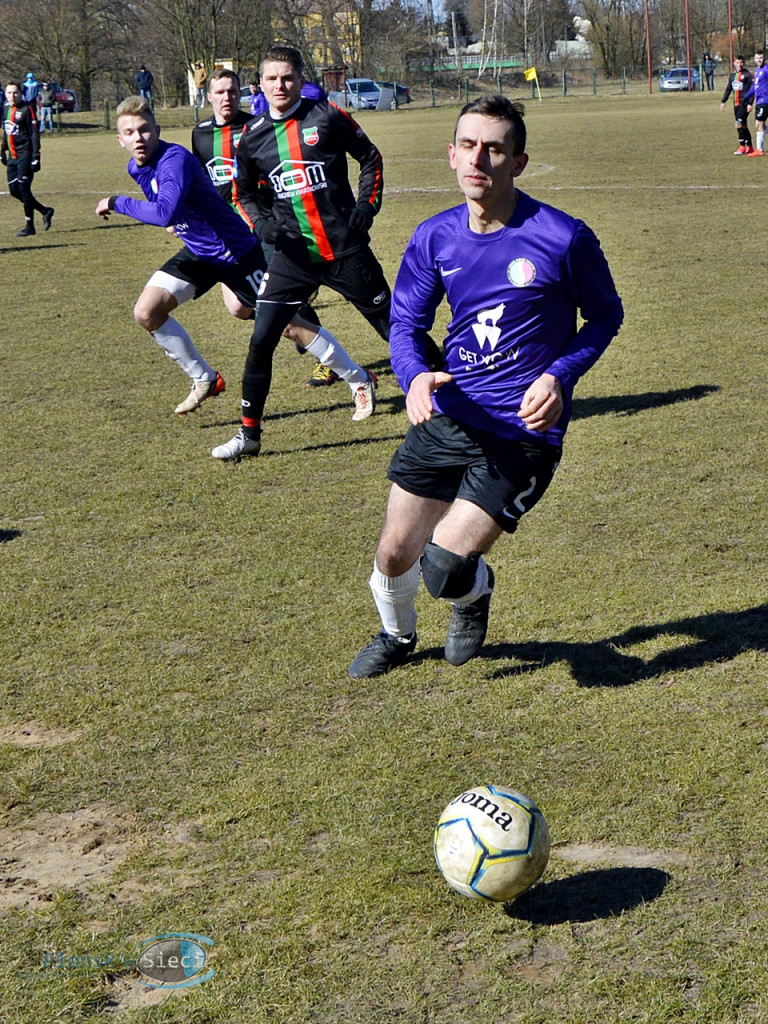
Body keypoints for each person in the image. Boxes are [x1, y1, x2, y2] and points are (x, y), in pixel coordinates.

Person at [347, 95, 624, 678]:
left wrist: (558, 374)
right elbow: (405, 323)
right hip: (447, 417)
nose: (480, 159)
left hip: (522, 433)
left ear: (518, 162)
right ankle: (397, 637)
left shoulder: (563, 237)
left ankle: (474, 593)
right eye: (469, 146)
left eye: (495, 148)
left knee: (444, 568)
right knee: (395, 552)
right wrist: (415, 374)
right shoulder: (433, 237)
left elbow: (604, 317)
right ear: (451, 155)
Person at [210, 45, 426, 461]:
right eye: (271, 78)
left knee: (394, 331)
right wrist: (260, 223)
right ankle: (249, 436)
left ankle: (453, 401)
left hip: (344, 249)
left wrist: (367, 204)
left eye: (287, 77)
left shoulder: (325, 115)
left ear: (299, 78)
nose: (280, 85)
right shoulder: (252, 137)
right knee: (261, 341)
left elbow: (370, 158)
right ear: (260, 84)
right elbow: (241, 192)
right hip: (292, 257)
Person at [191, 68, 376, 420]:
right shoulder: (199, 136)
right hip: (230, 233)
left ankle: (334, 366)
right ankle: (337, 361)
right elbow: (207, 183)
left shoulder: (257, 128)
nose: (227, 98)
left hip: (271, 231)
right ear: (209, 96)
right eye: (220, 92)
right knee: (239, 308)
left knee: (278, 314)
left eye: (232, 91)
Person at [94, 95, 265, 416]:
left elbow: (162, 211)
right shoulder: (137, 166)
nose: (138, 138)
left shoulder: (174, 158)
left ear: (157, 130)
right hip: (200, 252)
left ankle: (353, 375)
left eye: (144, 130)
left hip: (233, 249)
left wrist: (117, 202)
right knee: (146, 312)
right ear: (120, 140)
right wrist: (176, 223)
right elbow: (169, 209)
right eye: (129, 133)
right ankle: (205, 379)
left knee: (270, 318)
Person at [1, 82, 54, 237]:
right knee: (15, 191)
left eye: (15, 92)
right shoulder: (5, 109)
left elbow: (34, 133)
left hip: (25, 155)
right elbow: (6, 131)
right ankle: (45, 211)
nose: (12, 96)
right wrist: (2, 149)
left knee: (24, 189)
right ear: (5, 94)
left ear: (20, 93)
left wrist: (36, 155)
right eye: (9, 93)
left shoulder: (27, 108)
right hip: (12, 157)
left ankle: (29, 226)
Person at [721, 55, 754, 155]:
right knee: (743, 125)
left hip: (744, 104)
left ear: (744, 63)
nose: (739, 65)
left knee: (738, 124)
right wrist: (723, 101)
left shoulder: (748, 75)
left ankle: (742, 147)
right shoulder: (732, 76)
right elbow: (728, 89)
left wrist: (750, 103)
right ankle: (750, 147)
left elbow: (752, 90)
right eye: (738, 63)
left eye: (741, 63)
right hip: (736, 104)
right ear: (734, 63)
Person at [744, 51, 768, 155]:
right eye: (757, 58)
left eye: (761, 58)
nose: (759, 60)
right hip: (759, 101)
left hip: (765, 100)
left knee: (760, 124)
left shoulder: (766, 69)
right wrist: (746, 97)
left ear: (764, 58)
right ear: (754, 59)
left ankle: (760, 150)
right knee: (757, 124)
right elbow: (754, 86)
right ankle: (759, 150)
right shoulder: (757, 71)